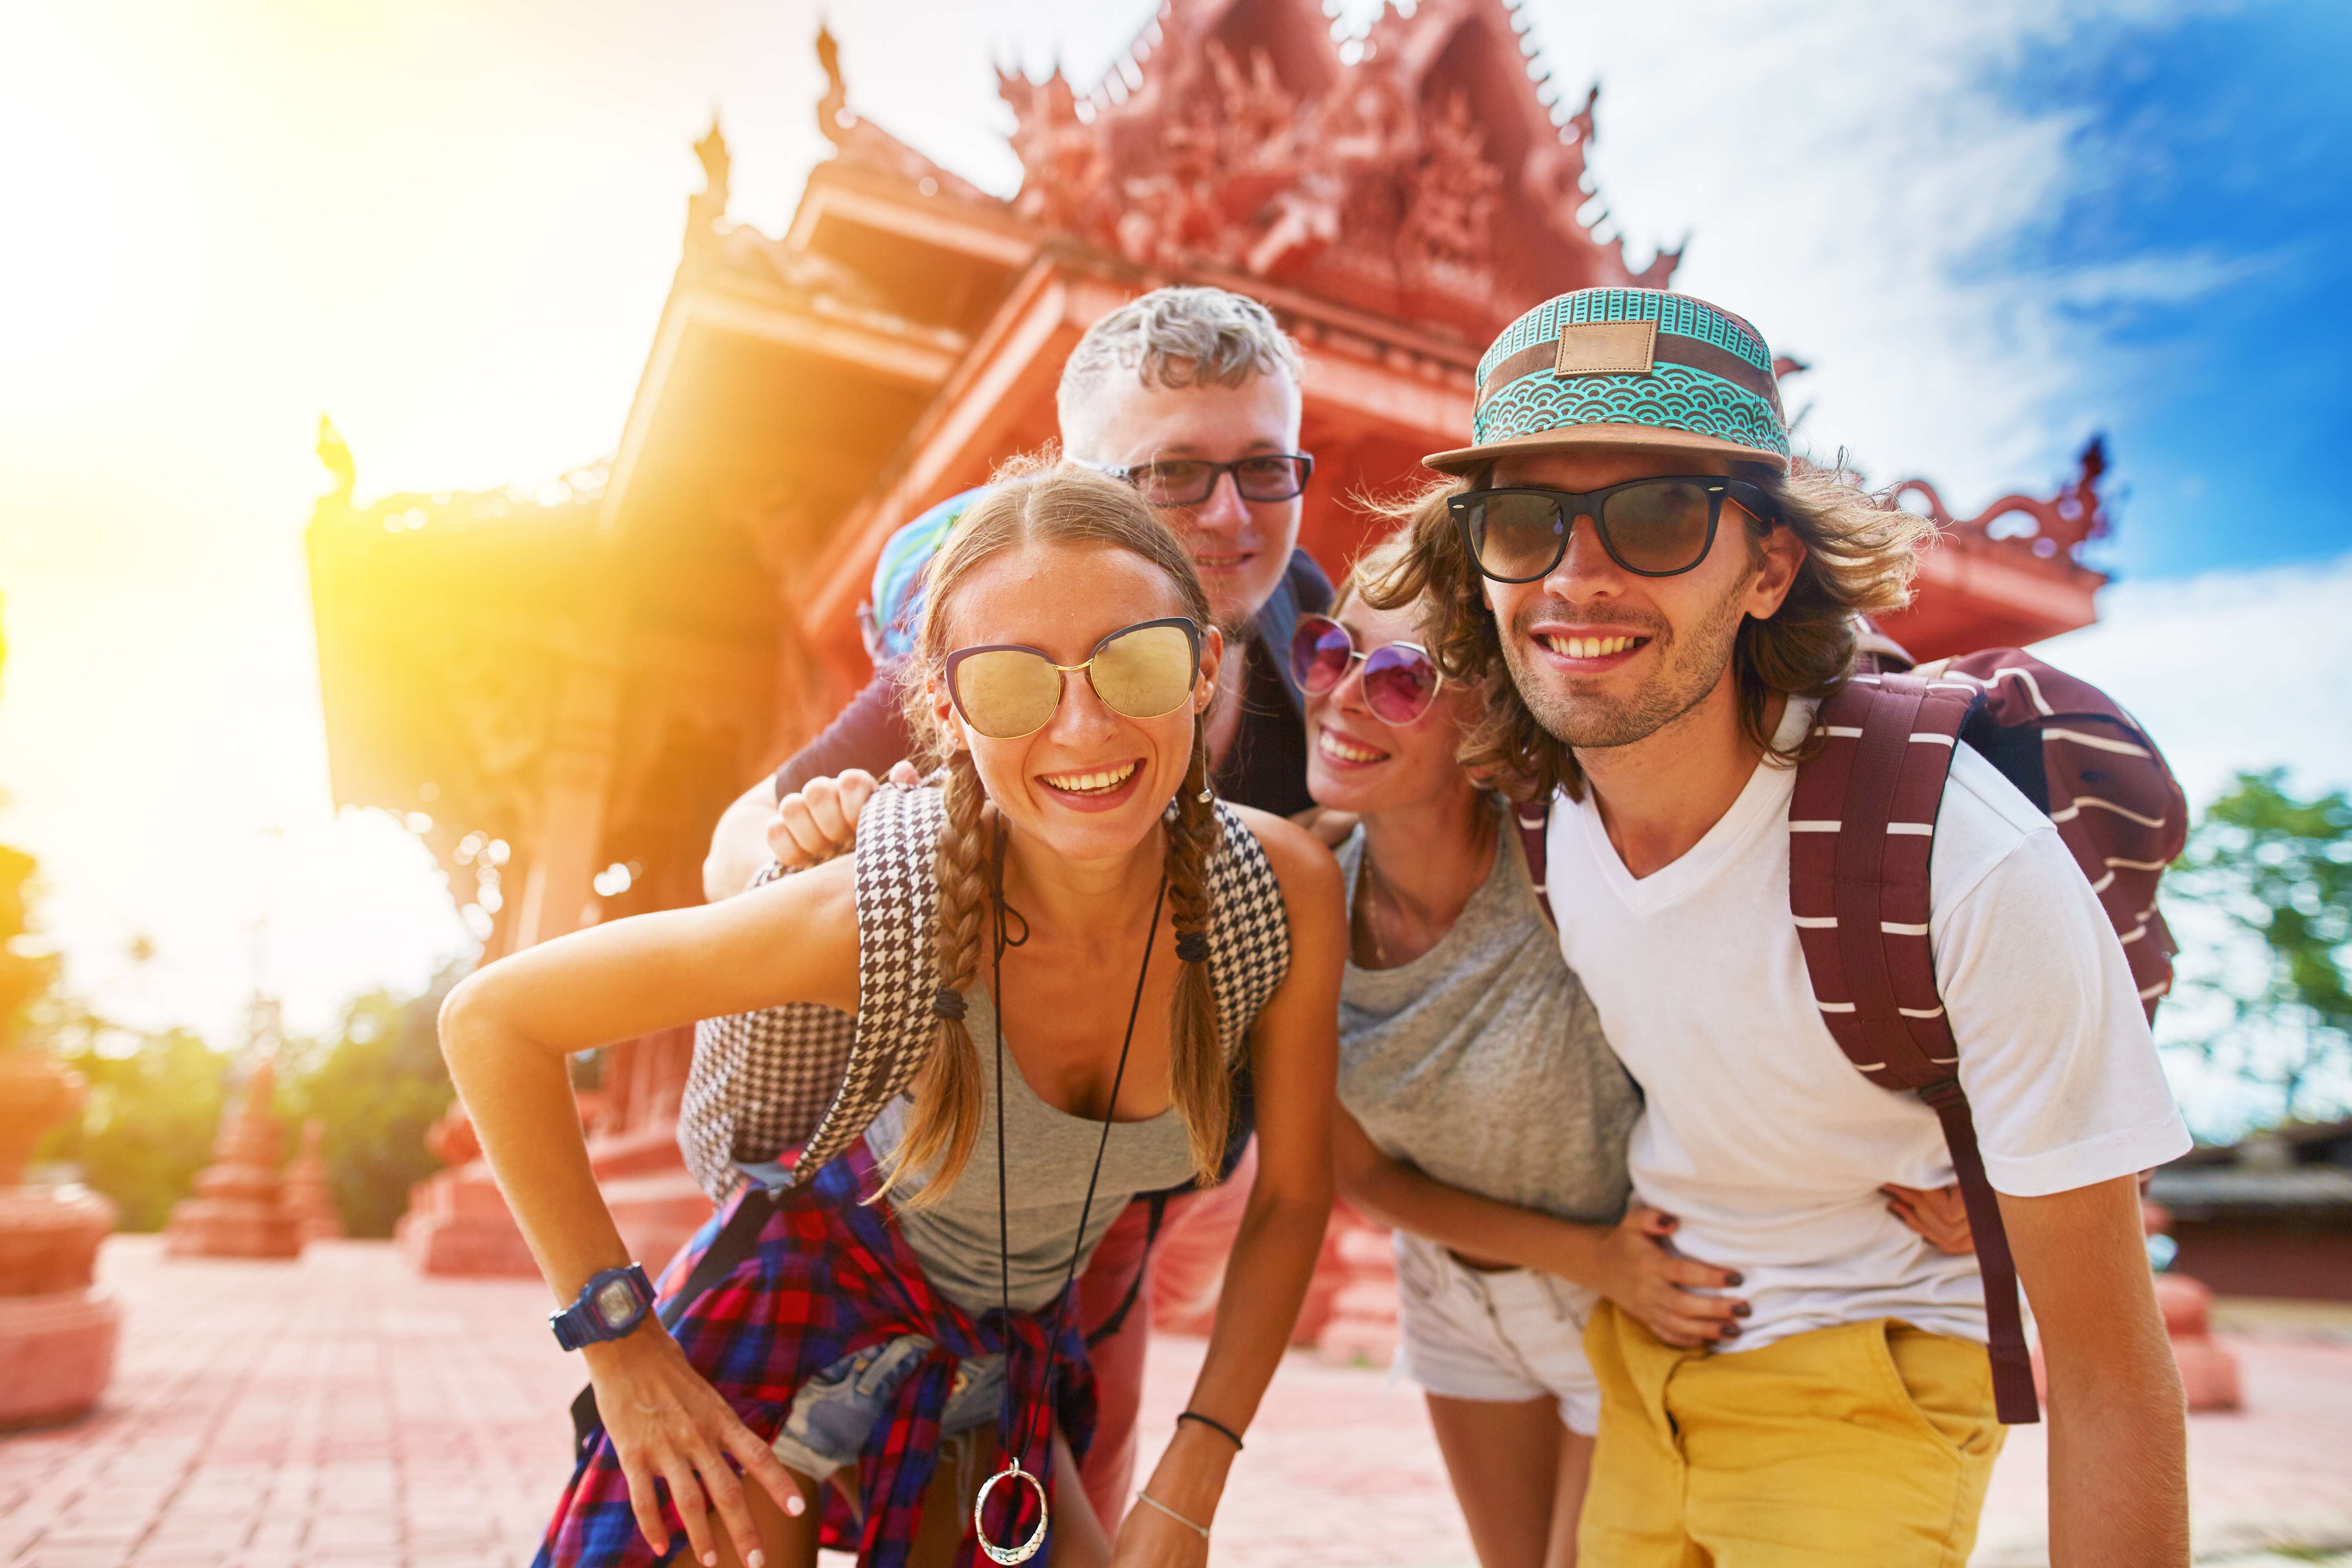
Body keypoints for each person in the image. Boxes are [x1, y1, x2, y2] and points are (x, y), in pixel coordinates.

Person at [1378, 285, 2192, 1566]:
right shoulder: (1529, 797)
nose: (1576, 577)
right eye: (1524, 522)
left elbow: (2108, 1372)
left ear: (1769, 567)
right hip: (1644, 1353)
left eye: (1659, 515)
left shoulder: (1964, 862)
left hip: (1867, 1363)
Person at [443, 466, 1345, 1568]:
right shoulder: (887, 910)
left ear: (1204, 667)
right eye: (1011, 683)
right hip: (799, 1302)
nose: (1083, 726)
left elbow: (1293, 1196)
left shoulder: (1276, 896)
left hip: (996, 1352)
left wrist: (1196, 1469)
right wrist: (622, 1350)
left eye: (1136, 661)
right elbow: (494, 1022)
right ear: (948, 713)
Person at [700, 285, 1330, 1526]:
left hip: (1148, 1170)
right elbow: (731, 851)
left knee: (1080, 1468)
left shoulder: (1314, 643)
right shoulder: (1000, 655)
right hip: (927, 1169)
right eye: (1175, 473)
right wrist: (827, 850)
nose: (1230, 516)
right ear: (1086, 490)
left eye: (1266, 468)